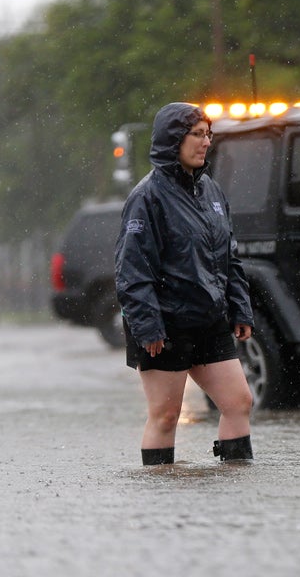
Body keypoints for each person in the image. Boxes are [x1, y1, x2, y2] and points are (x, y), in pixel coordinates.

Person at [115, 102, 256, 465]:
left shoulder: (211, 191)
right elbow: (132, 273)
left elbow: (229, 257)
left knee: (239, 402)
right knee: (165, 415)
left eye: (208, 134)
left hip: (209, 320)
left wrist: (240, 308)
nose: (206, 142)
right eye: (197, 134)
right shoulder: (146, 197)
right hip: (165, 324)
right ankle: (162, 498)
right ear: (173, 139)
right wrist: (148, 326)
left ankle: (235, 483)